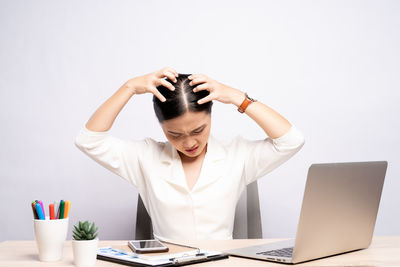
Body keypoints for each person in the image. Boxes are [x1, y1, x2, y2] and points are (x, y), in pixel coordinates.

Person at [74, 66, 305, 240]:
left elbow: (291, 140)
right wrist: (129, 87)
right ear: (161, 127)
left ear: (210, 117)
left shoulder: (236, 155)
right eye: (175, 134)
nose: (189, 142)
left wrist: (236, 97)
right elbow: (88, 140)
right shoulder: (145, 157)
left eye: (198, 129)